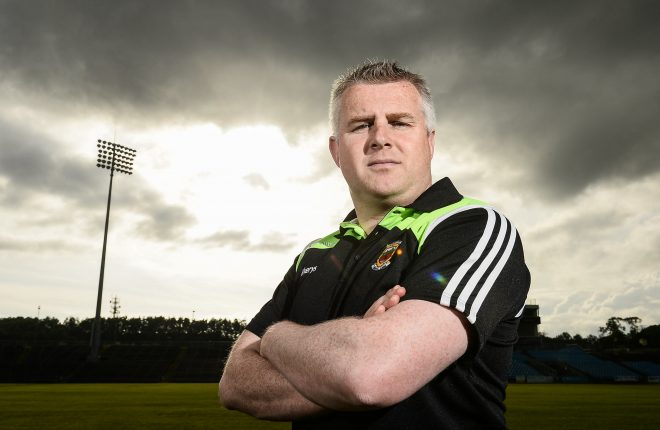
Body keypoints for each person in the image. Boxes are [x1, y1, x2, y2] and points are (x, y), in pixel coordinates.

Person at [219, 60, 531, 429]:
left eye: (399, 122)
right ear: (336, 151)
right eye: (361, 125)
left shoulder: (472, 226)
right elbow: (236, 384)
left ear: (429, 141)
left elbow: (369, 378)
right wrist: (347, 358)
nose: (380, 137)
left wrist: (275, 337)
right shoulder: (314, 255)